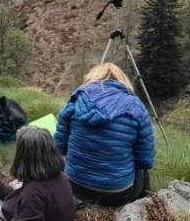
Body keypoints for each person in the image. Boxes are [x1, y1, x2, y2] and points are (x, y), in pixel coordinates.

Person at [54, 62, 156, 207]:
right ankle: (138, 205)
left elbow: (59, 148)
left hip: (75, 186)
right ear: (122, 80)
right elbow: (146, 161)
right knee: (142, 171)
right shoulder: (136, 107)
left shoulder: (75, 100)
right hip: (116, 194)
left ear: (92, 78)